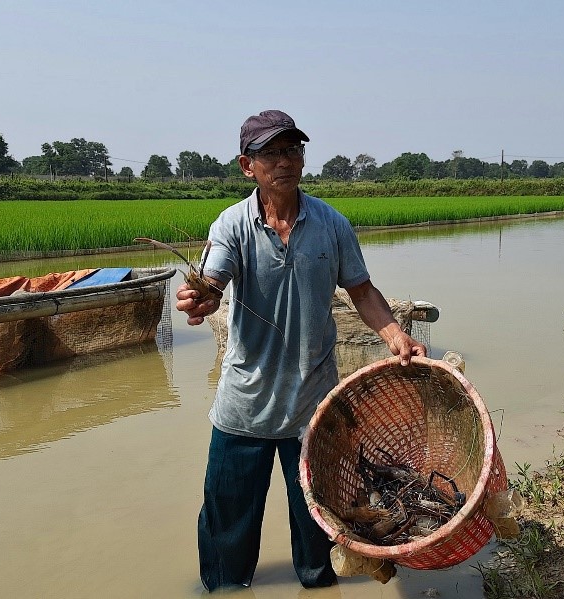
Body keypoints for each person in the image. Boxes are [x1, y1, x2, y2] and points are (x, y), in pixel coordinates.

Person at [176, 109, 427, 592]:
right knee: (227, 530)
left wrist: (396, 336)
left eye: (293, 149)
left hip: (314, 409)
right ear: (247, 165)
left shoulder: (331, 224)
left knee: (320, 535)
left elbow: (362, 290)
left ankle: (316, 586)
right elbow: (211, 283)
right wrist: (202, 298)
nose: (285, 161)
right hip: (243, 409)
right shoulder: (231, 226)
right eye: (271, 152)